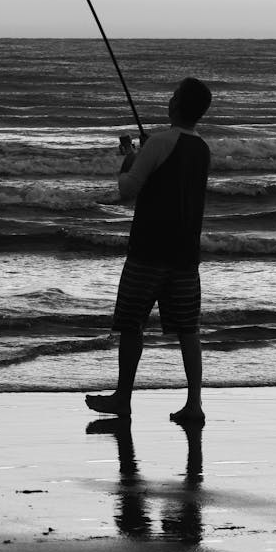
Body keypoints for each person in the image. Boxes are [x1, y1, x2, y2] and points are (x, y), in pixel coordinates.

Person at [86, 77, 212, 424]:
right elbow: (173, 184)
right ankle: (194, 404)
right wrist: (146, 157)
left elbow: (128, 189)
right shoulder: (202, 149)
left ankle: (123, 398)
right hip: (186, 254)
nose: (169, 100)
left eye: (173, 96)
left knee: (131, 323)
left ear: (176, 105)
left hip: (149, 250)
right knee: (189, 329)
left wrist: (129, 159)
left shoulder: (158, 143)